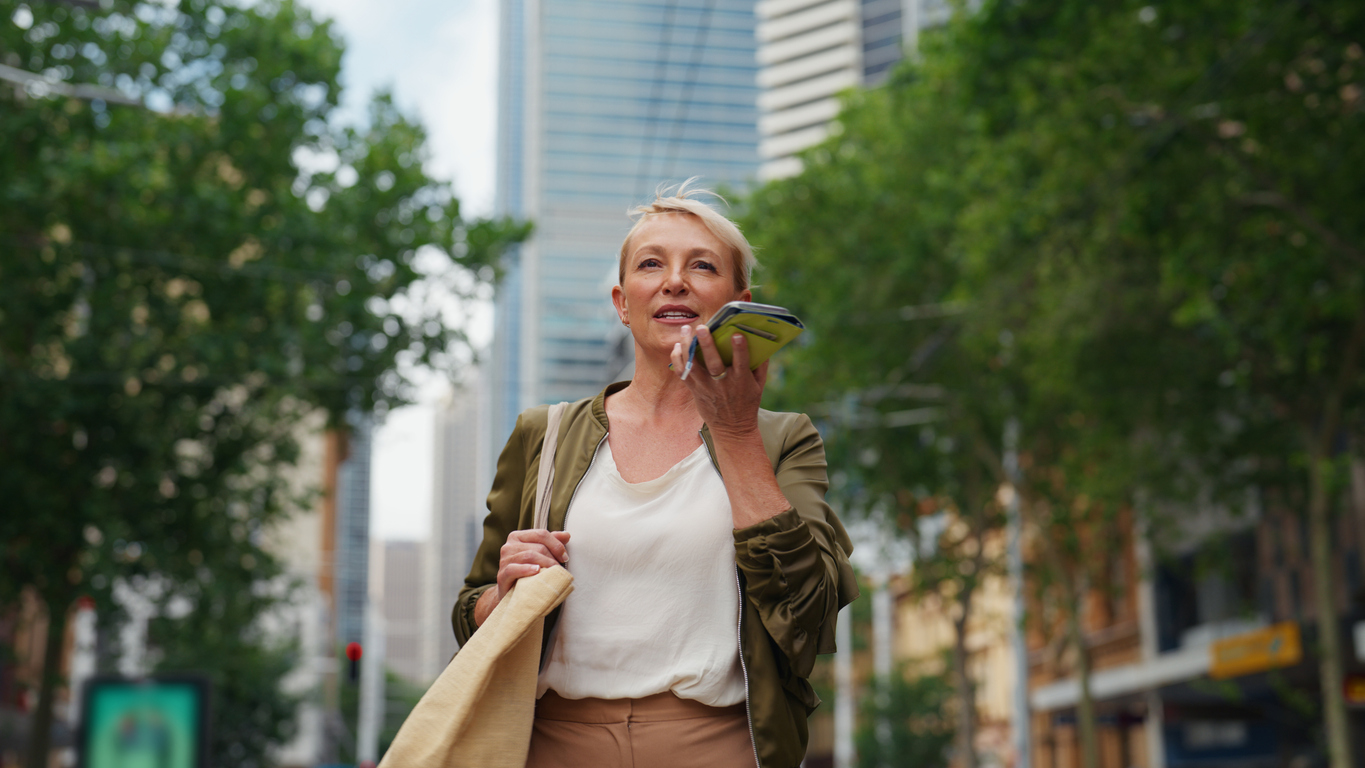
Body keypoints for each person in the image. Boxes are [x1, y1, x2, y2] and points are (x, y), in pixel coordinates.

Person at [453, 182, 858, 768]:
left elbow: (807, 618)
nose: (675, 280)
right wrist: (502, 595)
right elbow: (470, 616)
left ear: (737, 302)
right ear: (622, 302)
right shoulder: (543, 434)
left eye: (702, 266)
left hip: (718, 745)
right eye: (652, 264)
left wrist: (738, 434)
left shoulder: (783, 438)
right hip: (552, 744)